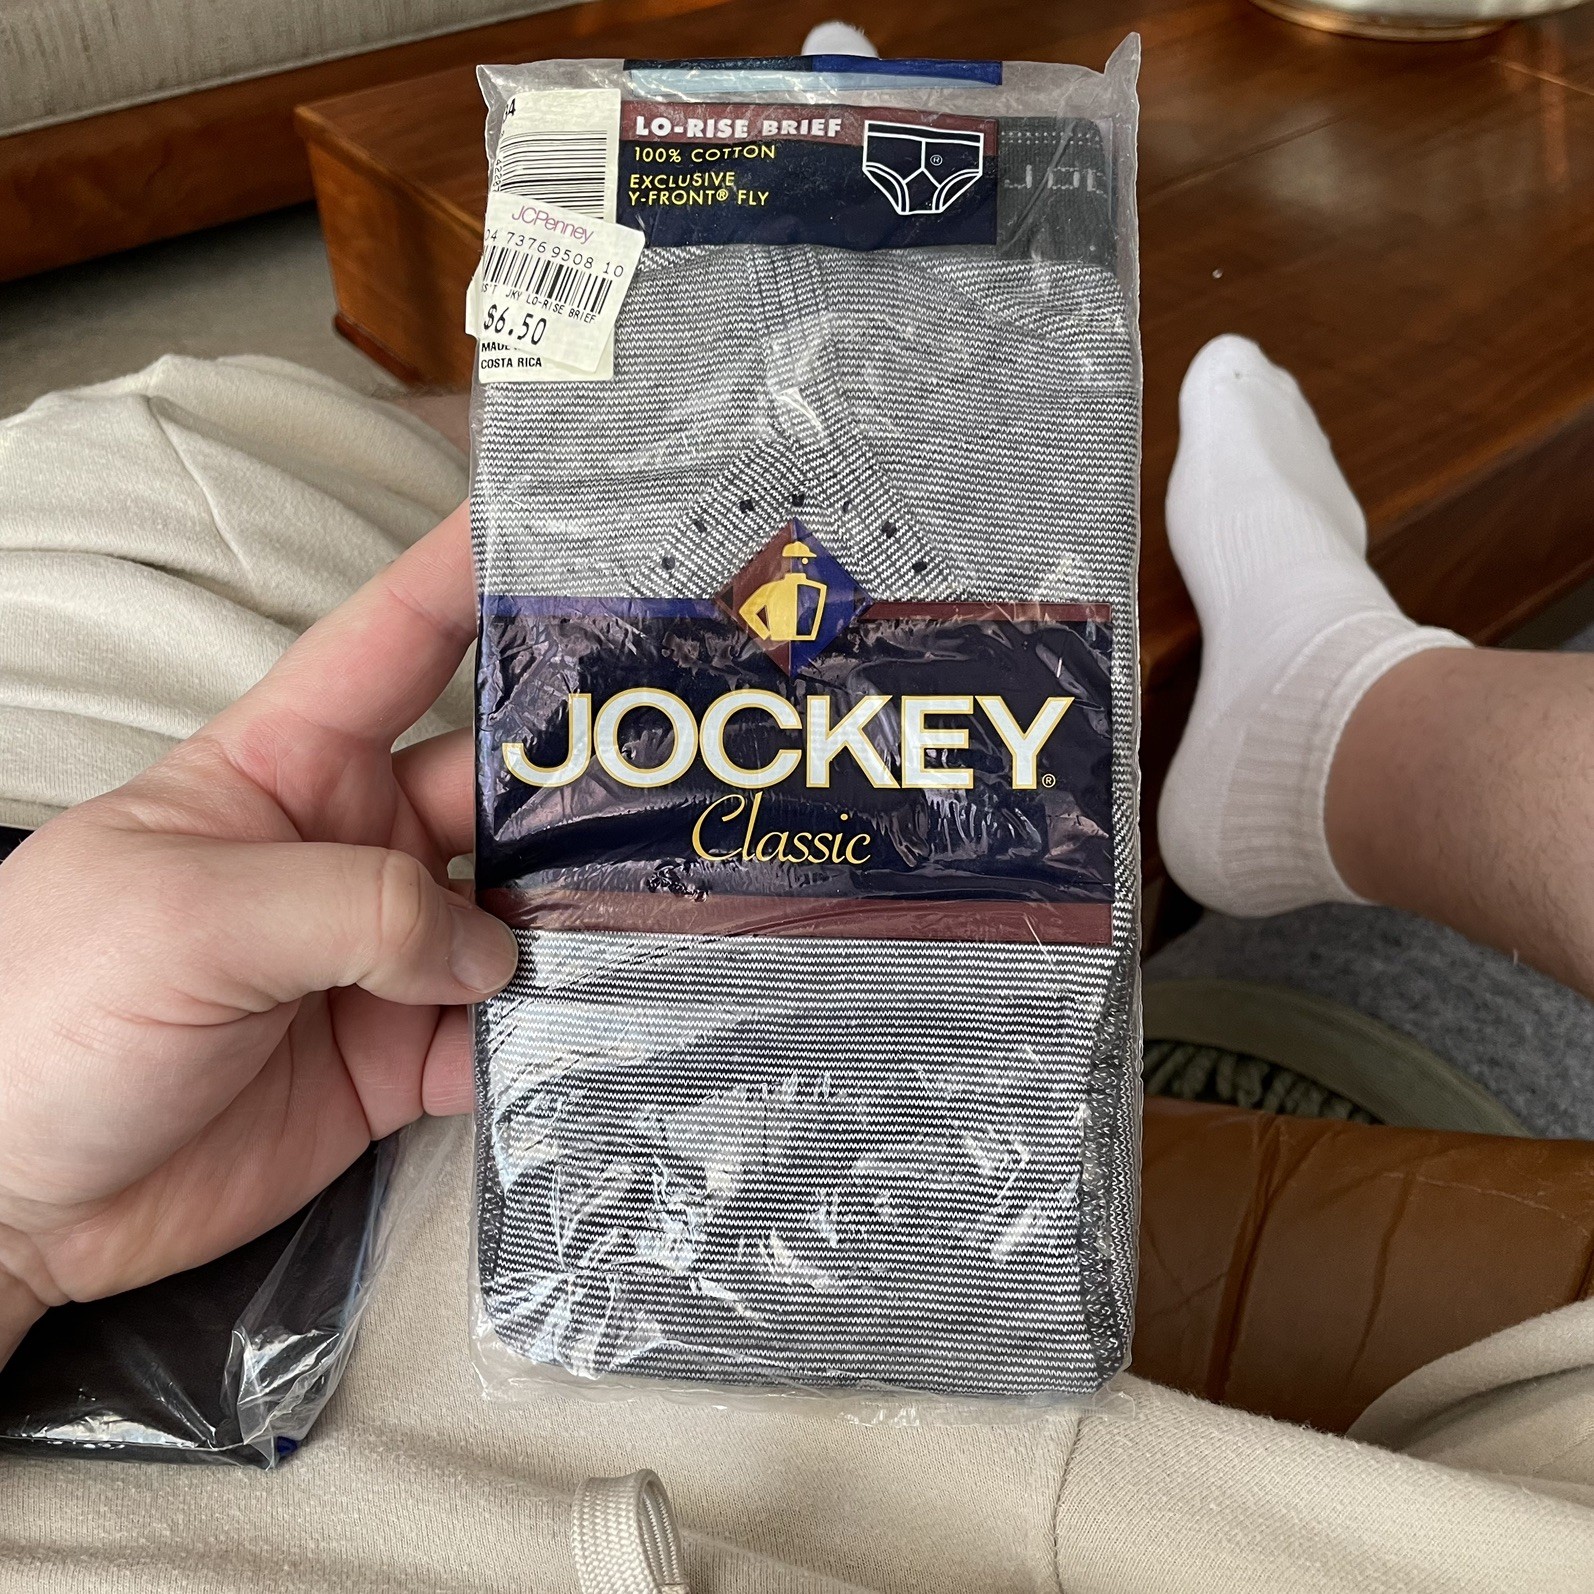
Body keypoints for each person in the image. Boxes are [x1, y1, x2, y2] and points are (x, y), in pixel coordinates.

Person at [0, 341, 1591, 1591]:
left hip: (156, 1014)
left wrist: (16, 1214)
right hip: (605, 1415)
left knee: (172, 448)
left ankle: (811, 390)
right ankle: (1337, 724)